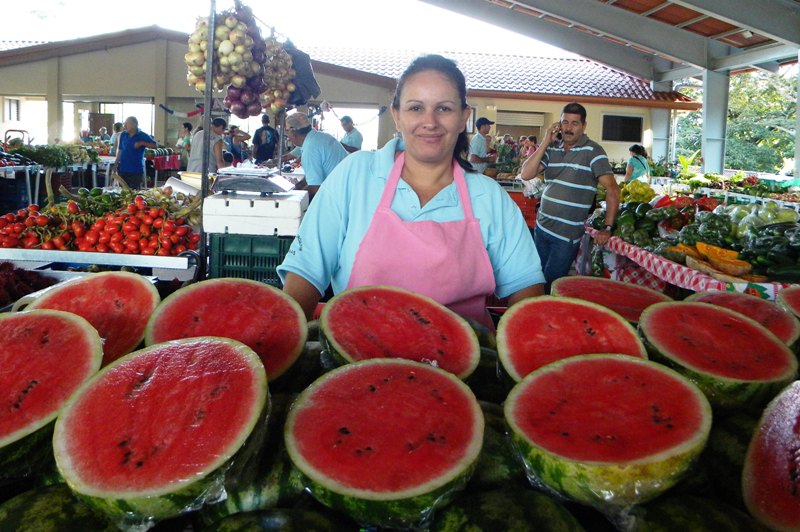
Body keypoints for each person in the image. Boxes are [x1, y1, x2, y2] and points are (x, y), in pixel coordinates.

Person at [278, 54, 544, 327]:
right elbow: (307, 269)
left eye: (444, 108)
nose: (430, 121)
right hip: (354, 353)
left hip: (466, 364)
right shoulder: (356, 174)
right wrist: (287, 340)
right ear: (397, 115)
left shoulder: (490, 197)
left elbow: (525, 287)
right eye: (416, 108)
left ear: (464, 117)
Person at [519, 102, 620, 293]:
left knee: (550, 287)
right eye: (565, 122)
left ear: (584, 126)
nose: (569, 128)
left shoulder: (593, 152)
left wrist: (607, 227)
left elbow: (613, 189)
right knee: (533, 279)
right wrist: (545, 142)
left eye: (575, 123)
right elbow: (526, 174)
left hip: (565, 237)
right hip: (541, 229)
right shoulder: (552, 149)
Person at [284, 112, 348, 200]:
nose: (287, 137)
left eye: (287, 131)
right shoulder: (321, 136)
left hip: (340, 195)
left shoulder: (310, 148)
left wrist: (294, 198)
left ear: (293, 132)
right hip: (346, 188)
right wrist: (295, 188)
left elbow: (315, 188)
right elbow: (310, 177)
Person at [114, 116, 157, 189]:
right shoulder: (123, 135)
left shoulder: (142, 135)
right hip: (123, 169)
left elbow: (155, 146)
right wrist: (115, 164)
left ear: (135, 124)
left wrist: (142, 143)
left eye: (127, 124)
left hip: (136, 170)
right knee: (123, 193)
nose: (124, 126)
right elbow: (120, 150)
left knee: (134, 193)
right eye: (124, 124)